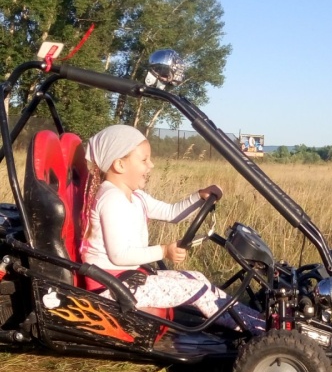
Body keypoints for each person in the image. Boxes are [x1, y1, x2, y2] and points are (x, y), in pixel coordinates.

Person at [80, 124, 265, 334]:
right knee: (197, 290)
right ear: (120, 165)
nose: (151, 165)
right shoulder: (111, 199)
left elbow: (171, 213)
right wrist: (164, 251)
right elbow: (119, 255)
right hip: (111, 288)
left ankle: (257, 319)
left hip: (126, 279)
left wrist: (199, 197)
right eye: (144, 160)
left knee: (196, 278)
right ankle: (259, 331)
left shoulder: (135, 196)